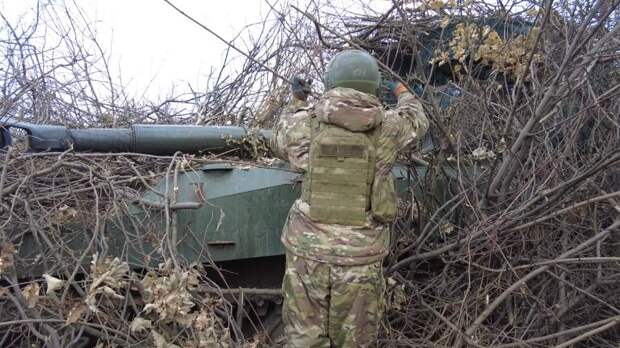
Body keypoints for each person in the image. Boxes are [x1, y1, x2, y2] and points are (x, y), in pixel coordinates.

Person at [270, 49, 429, 347]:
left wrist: (297, 101)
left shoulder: (304, 123)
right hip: (361, 255)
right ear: (374, 85)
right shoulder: (390, 127)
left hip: (308, 251)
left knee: (304, 338)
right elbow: (417, 119)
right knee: (355, 340)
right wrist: (402, 90)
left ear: (331, 82)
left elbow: (279, 137)